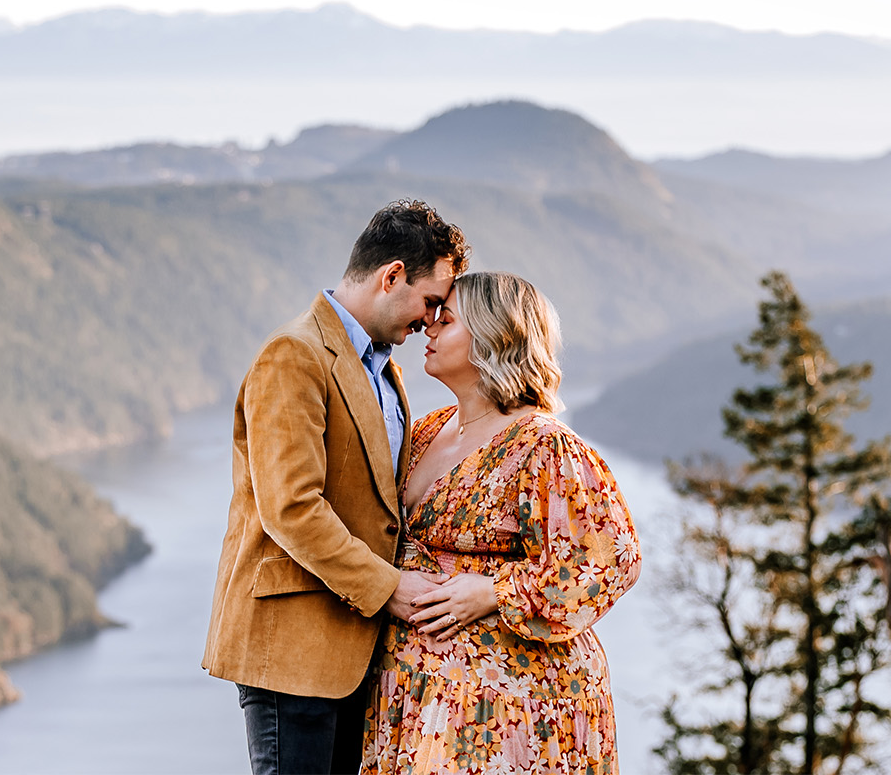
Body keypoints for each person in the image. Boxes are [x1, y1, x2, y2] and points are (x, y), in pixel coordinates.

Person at [203, 199, 471, 775]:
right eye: (429, 303)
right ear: (391, 276)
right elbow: (291, 508)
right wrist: (389, 587)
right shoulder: (294, 355)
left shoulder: (382, 366)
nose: (430, 322)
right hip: (294, 648)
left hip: (355, 647)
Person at [362, 271, 642, 775]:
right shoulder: (425, 430)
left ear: (493, 338)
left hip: (509, 711)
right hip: (415, 697)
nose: (428, 329)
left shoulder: (542, 445)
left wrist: (494, 592)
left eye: (444, 321)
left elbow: (609, 560)